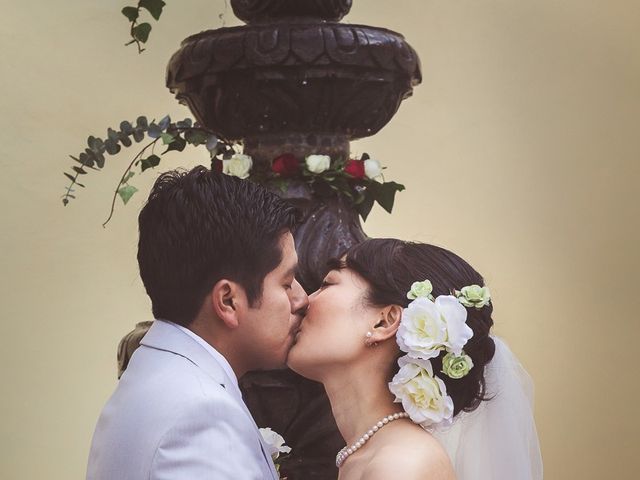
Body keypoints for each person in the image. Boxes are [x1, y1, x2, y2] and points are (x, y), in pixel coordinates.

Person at [86, 166, 309, 479]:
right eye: (287, 283)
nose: (302, 299)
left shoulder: (153, 370)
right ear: (228, 301)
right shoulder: (200, 416)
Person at [288, 238, 543, 480]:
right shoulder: (372, 456)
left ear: (383, 321)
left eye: (327, 283)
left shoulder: (402, 463)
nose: (303, 301)